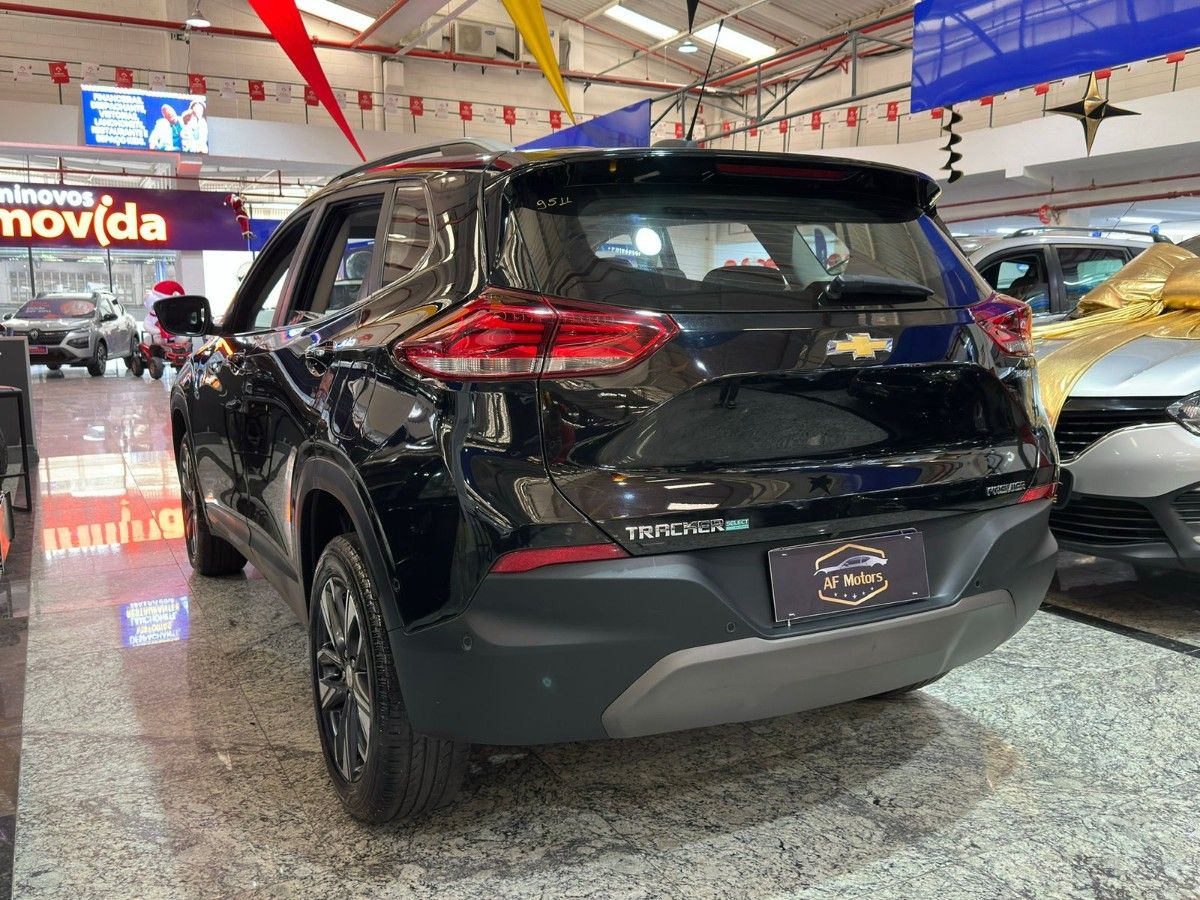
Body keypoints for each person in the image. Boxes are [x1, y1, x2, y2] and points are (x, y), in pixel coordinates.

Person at [143, 279, 185, 347]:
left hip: (173, 335)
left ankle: (177, 339)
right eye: (154, 307)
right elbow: (147, 325)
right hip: (158, 335)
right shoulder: (150, 317)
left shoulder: (170, 314)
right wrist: (157, 330)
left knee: (180, 337)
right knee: (157, 339)